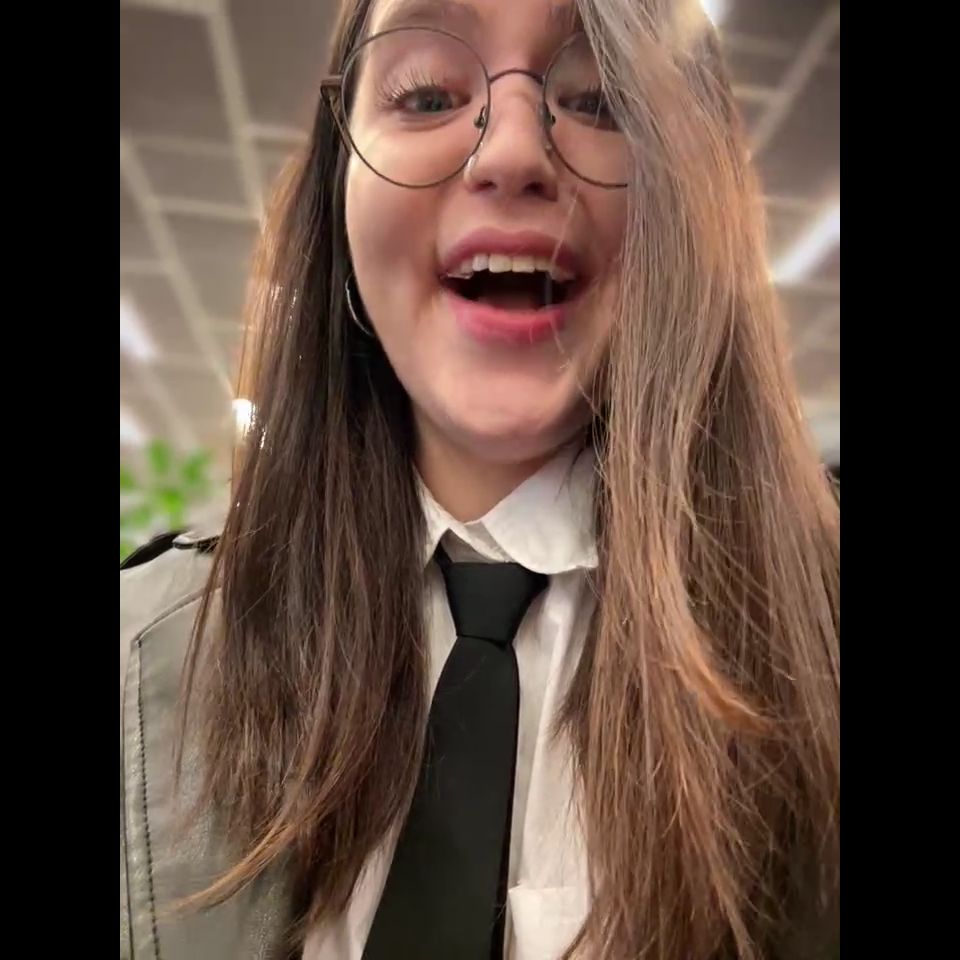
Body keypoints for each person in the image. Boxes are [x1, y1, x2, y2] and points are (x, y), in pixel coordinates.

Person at [120, 0, 840, 957]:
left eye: (602, 100)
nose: (511, 153)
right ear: (338, 182)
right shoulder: (136, 650)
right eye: (425, 96)